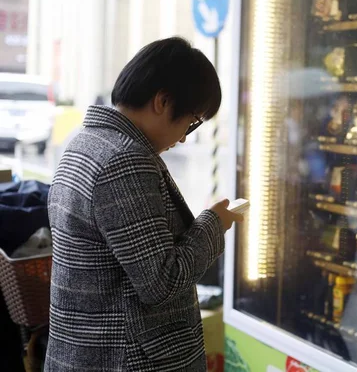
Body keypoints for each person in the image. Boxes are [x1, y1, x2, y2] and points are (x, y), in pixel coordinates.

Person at [44, 37, 242, 372]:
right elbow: (161, 283)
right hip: (129, 361)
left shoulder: (84, 142)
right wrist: (213, 223)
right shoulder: (125, 161)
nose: (183, 138)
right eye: (191, 122)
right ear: (163, 101)